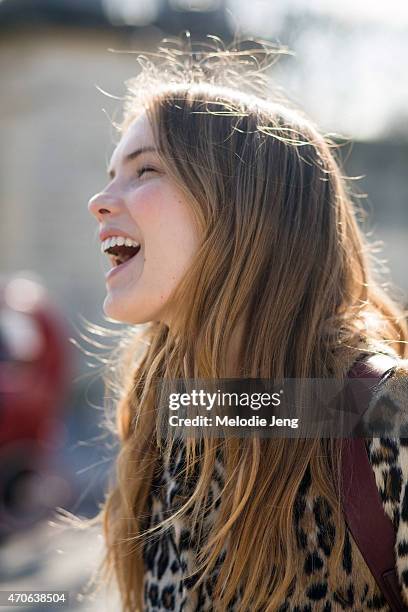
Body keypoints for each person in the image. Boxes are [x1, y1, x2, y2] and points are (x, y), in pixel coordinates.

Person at [87, 39, 408, 611]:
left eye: (144, 170)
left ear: (248, 207)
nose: (100, 200)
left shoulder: (387, 415)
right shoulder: (170, 413)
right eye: (111, 173)